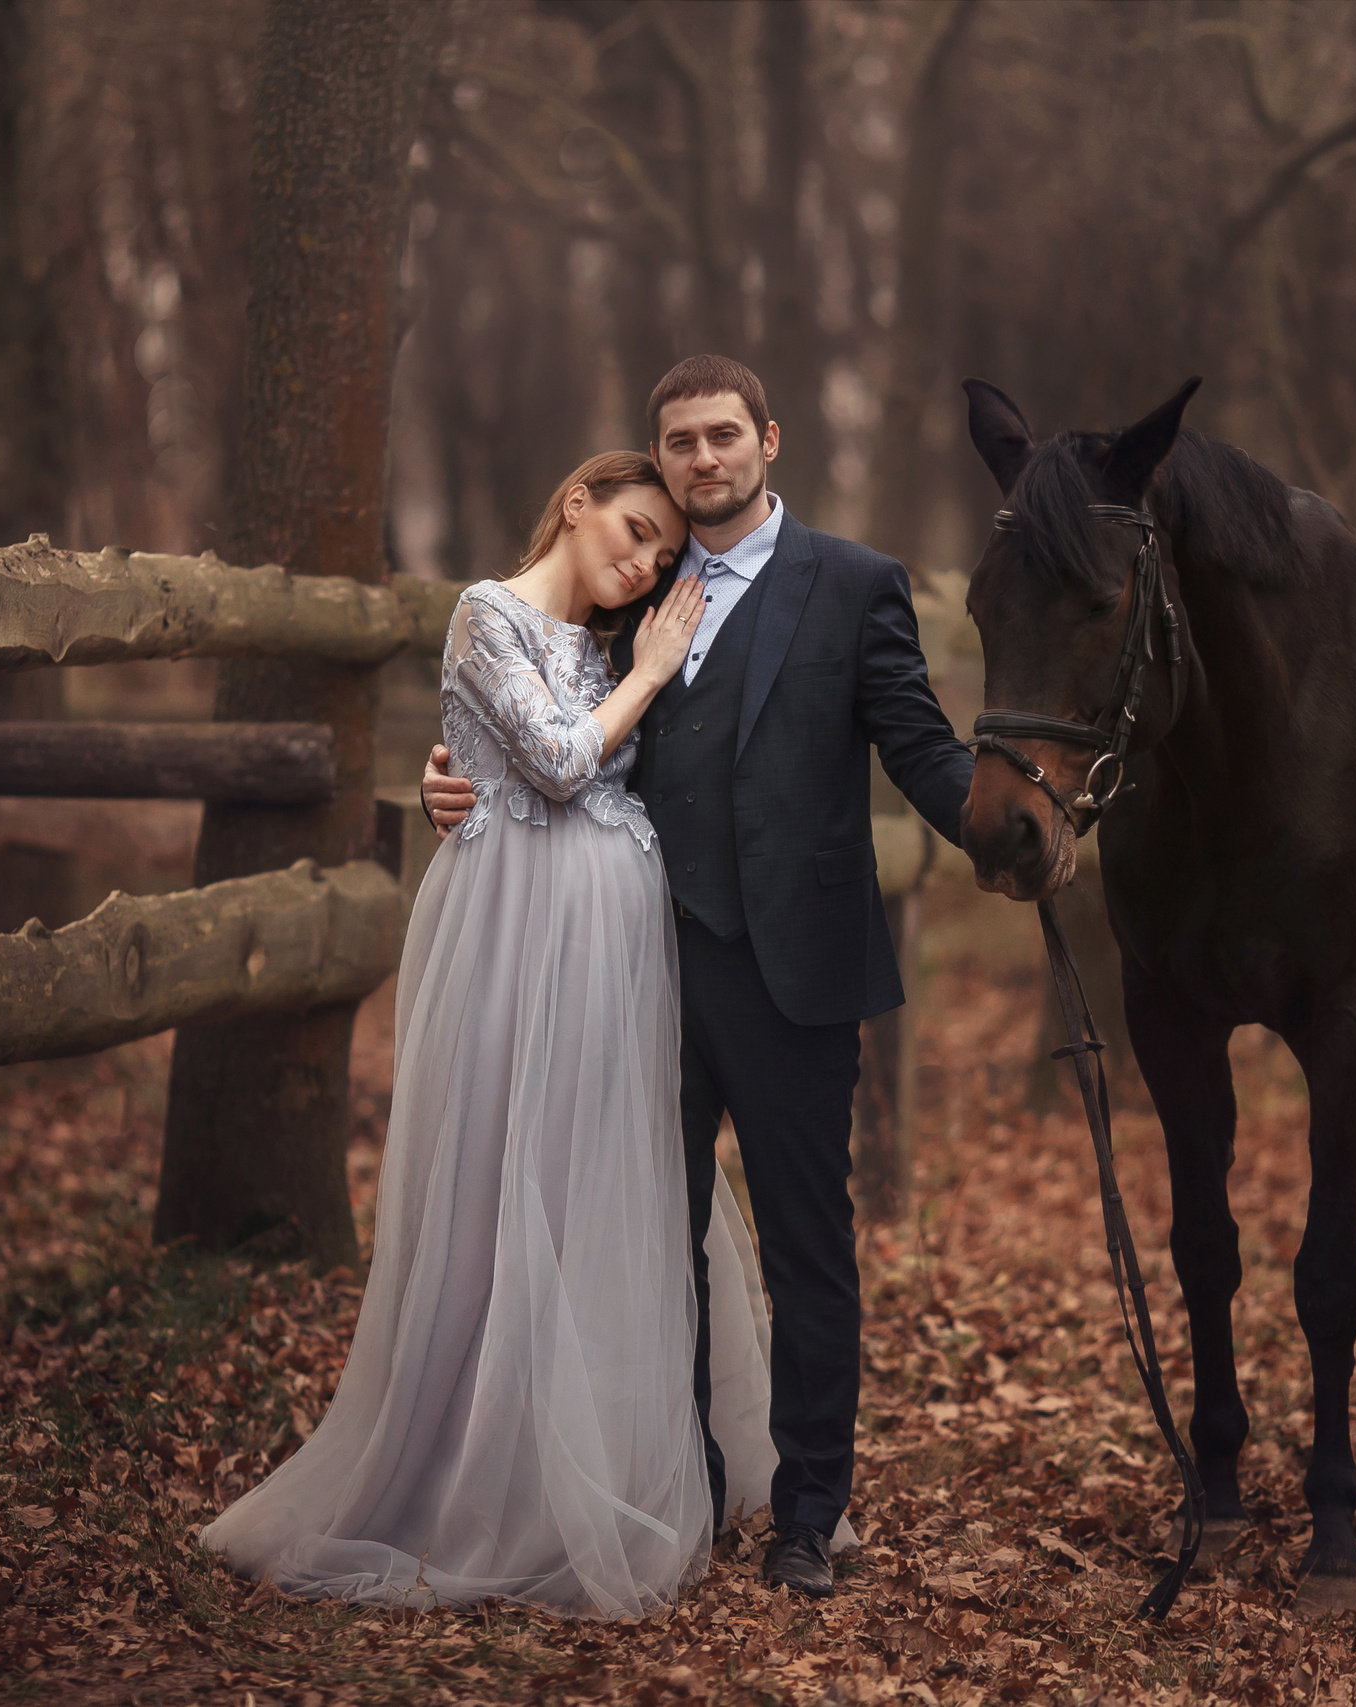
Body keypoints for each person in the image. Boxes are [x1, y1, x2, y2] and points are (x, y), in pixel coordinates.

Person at [423, 356, 975, 1598]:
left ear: (768, 440)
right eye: (679, 442)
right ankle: (685, 1481)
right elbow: (539, 724)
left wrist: (999, 828)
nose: (702, 458)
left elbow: (918, 746)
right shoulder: (630, 591)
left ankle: (807, 1512)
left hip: (795, 976)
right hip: (639, 973)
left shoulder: (853, 584)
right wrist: (445, 781)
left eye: (723, 434)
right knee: (650, 1242)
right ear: (658, 460)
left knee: (806, 1248)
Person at [203, 452, 787, 1619]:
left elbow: (607, 770)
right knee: (498, 1179)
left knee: (596, 1186)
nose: (644, 564)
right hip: (518, 942)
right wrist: (646, 675)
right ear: (576, 503)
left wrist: (621, 681)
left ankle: (610, 1456)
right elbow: (561, 764)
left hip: (613, 961)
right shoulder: (487, 613)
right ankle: (483, 1472)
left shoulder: (604, 649)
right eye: (633, 531)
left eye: (663, 556)